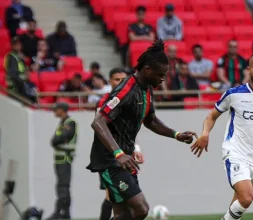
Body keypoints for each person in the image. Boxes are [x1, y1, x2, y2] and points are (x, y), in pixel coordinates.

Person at [86, 40, 197, 220]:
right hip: (110, 159)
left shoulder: (146, 89)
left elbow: (150, 120)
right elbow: (98, 122)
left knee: (124, 214)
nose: (163, 79)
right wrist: (118, 153)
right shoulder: (126, 90)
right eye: (160, 75)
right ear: (147, 70)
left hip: (125, 158)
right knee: (141, 209)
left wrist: (176, 134)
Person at [190, 53, 253, 220]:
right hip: (236, 153)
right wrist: (205, 133)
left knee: (238, 205)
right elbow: (211, 116)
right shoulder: (234, 94)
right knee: (246, 198)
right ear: (249, 70)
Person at [93, 68, 145, 220]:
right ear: (109, 82)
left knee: (122, 203)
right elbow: (101, 129)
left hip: (125, 157)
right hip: (109, 159)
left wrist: (136, 148)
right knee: (112, 197)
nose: (120, 83)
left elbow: (129, 131)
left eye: (123, 80)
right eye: (116, 80)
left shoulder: (128, 101)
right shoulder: (105, 102)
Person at [47, 102, 77, 220]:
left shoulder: (70, 123)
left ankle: (58, 213)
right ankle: (65, 214)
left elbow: (59, 138)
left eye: (56, 109)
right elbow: (55, 140)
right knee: (62, 186)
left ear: (63, 110)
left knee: (63, 187)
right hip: (60, 160)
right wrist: (55, 140)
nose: (55, 111)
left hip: (65, 159)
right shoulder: (63, 123)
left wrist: (56, 140)